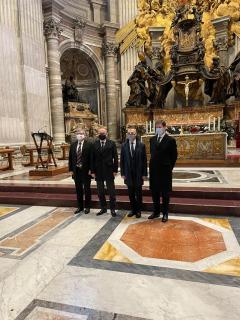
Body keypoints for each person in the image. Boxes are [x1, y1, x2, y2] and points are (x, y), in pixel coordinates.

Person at [148, 120, 178, 222]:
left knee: (165, 194)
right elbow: (152, 154)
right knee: (155, 193)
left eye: (160, 127)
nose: (158, 129)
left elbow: (174, 156)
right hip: (154, 170)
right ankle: (156, 212)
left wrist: (169, 167)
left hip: (165, 171)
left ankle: (165, 213)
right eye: (157, 127)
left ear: (165, 127)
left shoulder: (170, 140)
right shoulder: (152, 139)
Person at [91, 127, 118, 217]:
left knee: (111, 192)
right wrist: (92, 171)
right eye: (100, 133)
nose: (102, 135)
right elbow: (92, 159)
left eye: (103, 133)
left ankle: (113, 209)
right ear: (98, 134)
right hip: (98, 171)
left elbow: (116, 157)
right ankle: (103, 208)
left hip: (109, 170)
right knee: (100, 191)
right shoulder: (94, 144)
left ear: (106, 134)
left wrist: (115, 170)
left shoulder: (112, 143)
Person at [120, 127, 147, 218]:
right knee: (131, 193)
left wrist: (144, 174)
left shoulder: (141, 145)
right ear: (127, 135)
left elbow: (144, 160)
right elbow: (122, 161)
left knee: (138, 193)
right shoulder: (124, 146)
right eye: (129, 133)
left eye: (133, 133)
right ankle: (133, 209)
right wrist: (122, 173)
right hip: (128, 173)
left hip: (138, 173)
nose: (131, 135)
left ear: (136, 134)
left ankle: (139, 210)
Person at [69, 129, 92, 215]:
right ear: (76, 135)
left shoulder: (89, 145)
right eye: (78, 133)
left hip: (86, 171)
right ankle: (80, 206)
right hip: (76, 171)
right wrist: (71, 169)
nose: (80, 135)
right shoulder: (73, 145)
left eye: (82, 133)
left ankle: (87, 207)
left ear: (85, 135)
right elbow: (71, 159)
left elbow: (91, 159)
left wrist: (91, 169)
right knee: (78, 189)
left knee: (87, 189)